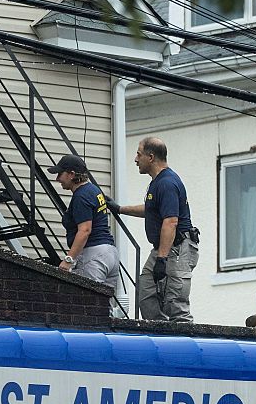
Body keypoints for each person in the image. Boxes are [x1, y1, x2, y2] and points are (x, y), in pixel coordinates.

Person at [110, 137, 199, 322]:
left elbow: (171, 222)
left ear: (150, 157)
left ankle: (183, 346)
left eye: (138, 154)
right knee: (147, 292)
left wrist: (162, 259)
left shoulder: (167, 183)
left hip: (176, 248)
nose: (135, 159)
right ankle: (161, 338)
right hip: (164, 248)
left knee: (175, 303)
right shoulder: (157, 183)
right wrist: (119, 209)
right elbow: (151, 209)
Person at [47, 154, 120, 289]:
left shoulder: (81, 196)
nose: (57, 179)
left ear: (71, 174)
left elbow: (85, 230)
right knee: (103, 306)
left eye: (60, 174)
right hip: (110, 254)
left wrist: (69, 259)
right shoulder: (94, 190)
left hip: (93, 256)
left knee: (88, 302)